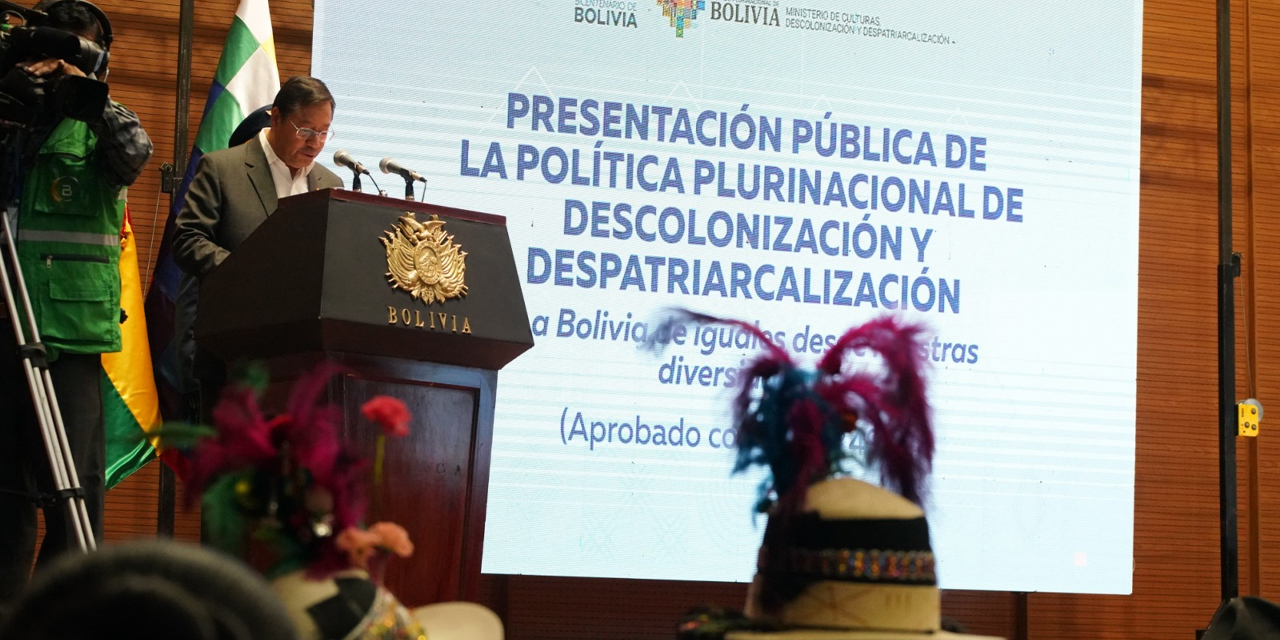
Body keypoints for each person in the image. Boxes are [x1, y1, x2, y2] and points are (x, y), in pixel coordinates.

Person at [0, 0, 152, 602]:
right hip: (4, 325)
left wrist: (91, 95)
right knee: (6, 501)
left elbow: (134, 156)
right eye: (50, 48)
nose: (56, 65)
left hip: (69, 336)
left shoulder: (101, 118)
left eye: (75, 52)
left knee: (75, 502)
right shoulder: (8, 106)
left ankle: (61, 619)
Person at [171, 76, 343, 418]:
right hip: (232, 353)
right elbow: (188, 239)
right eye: (306, 130)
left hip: (302, 360)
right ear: (276, 118)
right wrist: (246, 272)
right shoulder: (223, 168)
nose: (316, 143)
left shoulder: (329, 183)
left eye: (325, 132)